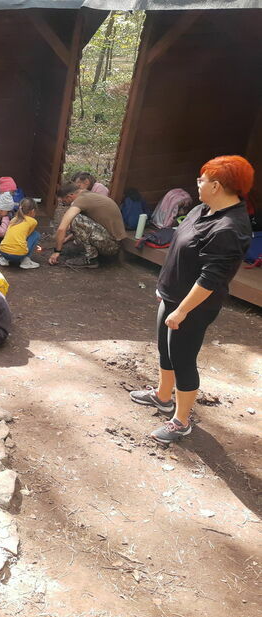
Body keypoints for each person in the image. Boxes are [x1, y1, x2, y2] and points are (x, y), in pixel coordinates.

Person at [129, 155, 254, 444]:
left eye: (203, 179)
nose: (198, 183)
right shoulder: (203, 209)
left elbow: (211, 279)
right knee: (165, 350)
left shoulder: (229, 228)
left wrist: (182, 310)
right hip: (173, 297)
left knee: (183, 360)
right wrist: (166, 287)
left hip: (193, 307)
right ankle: (162, 396)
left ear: (217, 185)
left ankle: (181, 421)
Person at [49, 183, 127, 268]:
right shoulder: (89, 196)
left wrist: (57, 251)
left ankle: (91, 259)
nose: (65, 205)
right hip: (111, 243)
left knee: (75, 219)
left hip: (111, 246)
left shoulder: (81, 200)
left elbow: (62, 228)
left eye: (64, 202)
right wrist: (65, 240)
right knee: (77, 220)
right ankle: (93, 254)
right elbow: (86, 229)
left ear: (69, 197)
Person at [0, 198, 41, 269]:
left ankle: (5, 260)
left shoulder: (13, 219)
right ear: (33, 211)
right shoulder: (33, 221)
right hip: (18, 255)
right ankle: (25, 261)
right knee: (35, 234)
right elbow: (28, 236)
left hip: (3, 252)